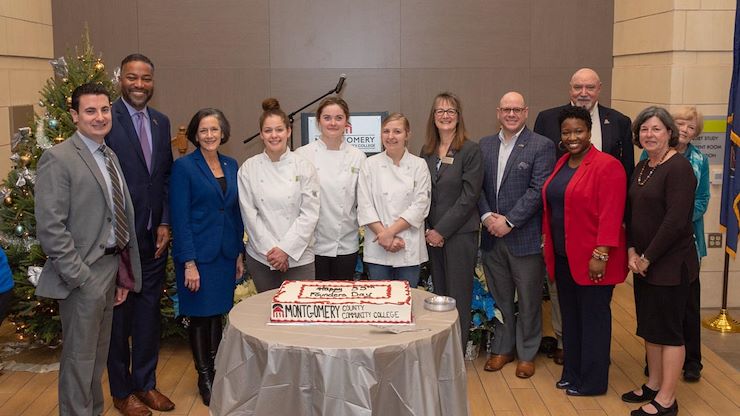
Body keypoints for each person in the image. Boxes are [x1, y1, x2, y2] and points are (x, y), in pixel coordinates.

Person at [35, 82, 142, 416]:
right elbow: (51, 229)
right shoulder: (58, 158)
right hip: (82, 275)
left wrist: (123, 274)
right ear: (74, 116)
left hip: (110, 270)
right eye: (90, 111)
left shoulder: (108, 155)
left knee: (96, 359)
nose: (100, 117)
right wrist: (81, 278)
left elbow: (117, 216)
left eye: (105, 109)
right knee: (80, 363)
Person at [534, 67, 633, 365]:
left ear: (599, 88)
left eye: (589, 87)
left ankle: (591, 360)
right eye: (578, 87)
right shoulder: (548, 121)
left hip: (599, 235)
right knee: (566, 299)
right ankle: (570, 348)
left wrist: (605, 247)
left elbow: (624, 178)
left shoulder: (618, 124)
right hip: (563, 233)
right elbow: (545, 173)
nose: (583, 92)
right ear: (569, 88)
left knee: (594, 305)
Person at [104, 53, 175, 416]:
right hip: (119, 241)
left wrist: (164, 221)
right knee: (119, 317)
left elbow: (163, 178)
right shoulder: (107, 120)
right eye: (132, 77)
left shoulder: (162, 122)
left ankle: (146, 384)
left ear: (153, 82)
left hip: (152, 238)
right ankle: (121, 391)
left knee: (148, 315)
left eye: (146, 78)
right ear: (121, 79)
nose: (139, 85)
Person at [541, 106, 628, 396]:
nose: (572, 137)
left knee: (593, 321)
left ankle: (592, 382)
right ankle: (573, 372)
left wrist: (600, 254)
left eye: (578, 131)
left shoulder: (607, 165)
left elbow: (611, 214)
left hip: (593, 260)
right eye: (567, 132)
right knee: (572, 319)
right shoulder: (563, 162)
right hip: (565, 257)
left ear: (589, 132)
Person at [622, 106, 698, 416]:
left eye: (656, 129)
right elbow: (630, 215)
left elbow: (675, 221)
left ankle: (667, 399)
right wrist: (631, 252)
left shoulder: (679, 168)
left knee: (669, 331)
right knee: (650, 327)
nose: (649, 134)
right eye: (644, 129)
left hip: (670, 264)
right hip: (641, 261)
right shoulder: (642, 167)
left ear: (670, 133)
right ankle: (653, 383)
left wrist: (648, 257)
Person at [170, 108, 244, 406]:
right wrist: (188, 263)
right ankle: (204, 376)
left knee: (216, 316)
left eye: (214, 129)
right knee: (200, 318)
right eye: (203, 131)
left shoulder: (231, 163)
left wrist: (238, 253)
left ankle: (216, 369)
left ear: (222, 132)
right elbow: (180, 217)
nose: (210, 135)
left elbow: (235, 211)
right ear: (195, 135)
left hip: (225, 254)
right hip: (197, 257)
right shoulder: (185, 167)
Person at [478, 92, 555, 379]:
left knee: (529, 298)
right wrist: (487, 217)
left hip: (523, 236)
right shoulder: (484, 145)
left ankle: (527, 353)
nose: (511, 114)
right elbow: (477, 188)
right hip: (491, 235)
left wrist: (509, 221)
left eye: (517, 109)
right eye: (506, 109)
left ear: (525, 112)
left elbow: (538, 190)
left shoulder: (541, 145)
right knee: (499, 297)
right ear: (498, 112)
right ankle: (503, 347)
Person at [639, 106, 709, 383]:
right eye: (645, 129)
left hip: (678, 250)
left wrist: (674, 220)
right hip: (651, 251)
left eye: (656, 129)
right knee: (654, 318)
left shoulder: (690, 163)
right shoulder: (646, 160)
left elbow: (696, 202)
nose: (684, 129)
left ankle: (685, 369)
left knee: (682, 313)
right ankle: (654, 377)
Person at [420, 92, 483, 349]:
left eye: (451, 111)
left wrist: (441, 230)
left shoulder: (470, 150)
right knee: (440, 294)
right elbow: (421, 191)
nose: (445, 116)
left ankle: (457, 349)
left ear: (458, 117)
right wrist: (428, 229)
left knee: (458, 294)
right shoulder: (427, 151)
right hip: (433, 234)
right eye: (440, 111)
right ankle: (442, 347)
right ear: (433, 118)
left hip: (459, 235)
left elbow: (469, 198)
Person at [238, 98, 320, 292]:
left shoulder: (304, 166)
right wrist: (273, 252)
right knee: (265, 317)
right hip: (262, 257)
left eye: (279, 130)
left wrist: (285, 250)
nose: (274, 135)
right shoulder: (249, 168)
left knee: (301, 316)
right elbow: (250, 215)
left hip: (299, 256)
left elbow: (309, 214)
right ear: (261, 134)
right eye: (268, 131)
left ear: (288, 131)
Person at [295, 97, 366, 280]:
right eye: (327, 118)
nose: (333, 123)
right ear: (318, 122)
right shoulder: (303, 155)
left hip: (346, 242)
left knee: (342, 299)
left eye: (338, 118)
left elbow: (363, 201)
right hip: (312, 243)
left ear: (346, 122)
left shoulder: (358, 156)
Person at [358, 112, 431, 287]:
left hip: (408, 246)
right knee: (381, 306)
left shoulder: (419, 165)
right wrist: (384, 236)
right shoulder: (369, 164)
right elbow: (364, 204)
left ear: (407, 135)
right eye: (386, 131)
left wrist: (389, 234)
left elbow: (420, 206)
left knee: (406, 303)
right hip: (378, 247)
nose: (391, 136)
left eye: (397, 131)